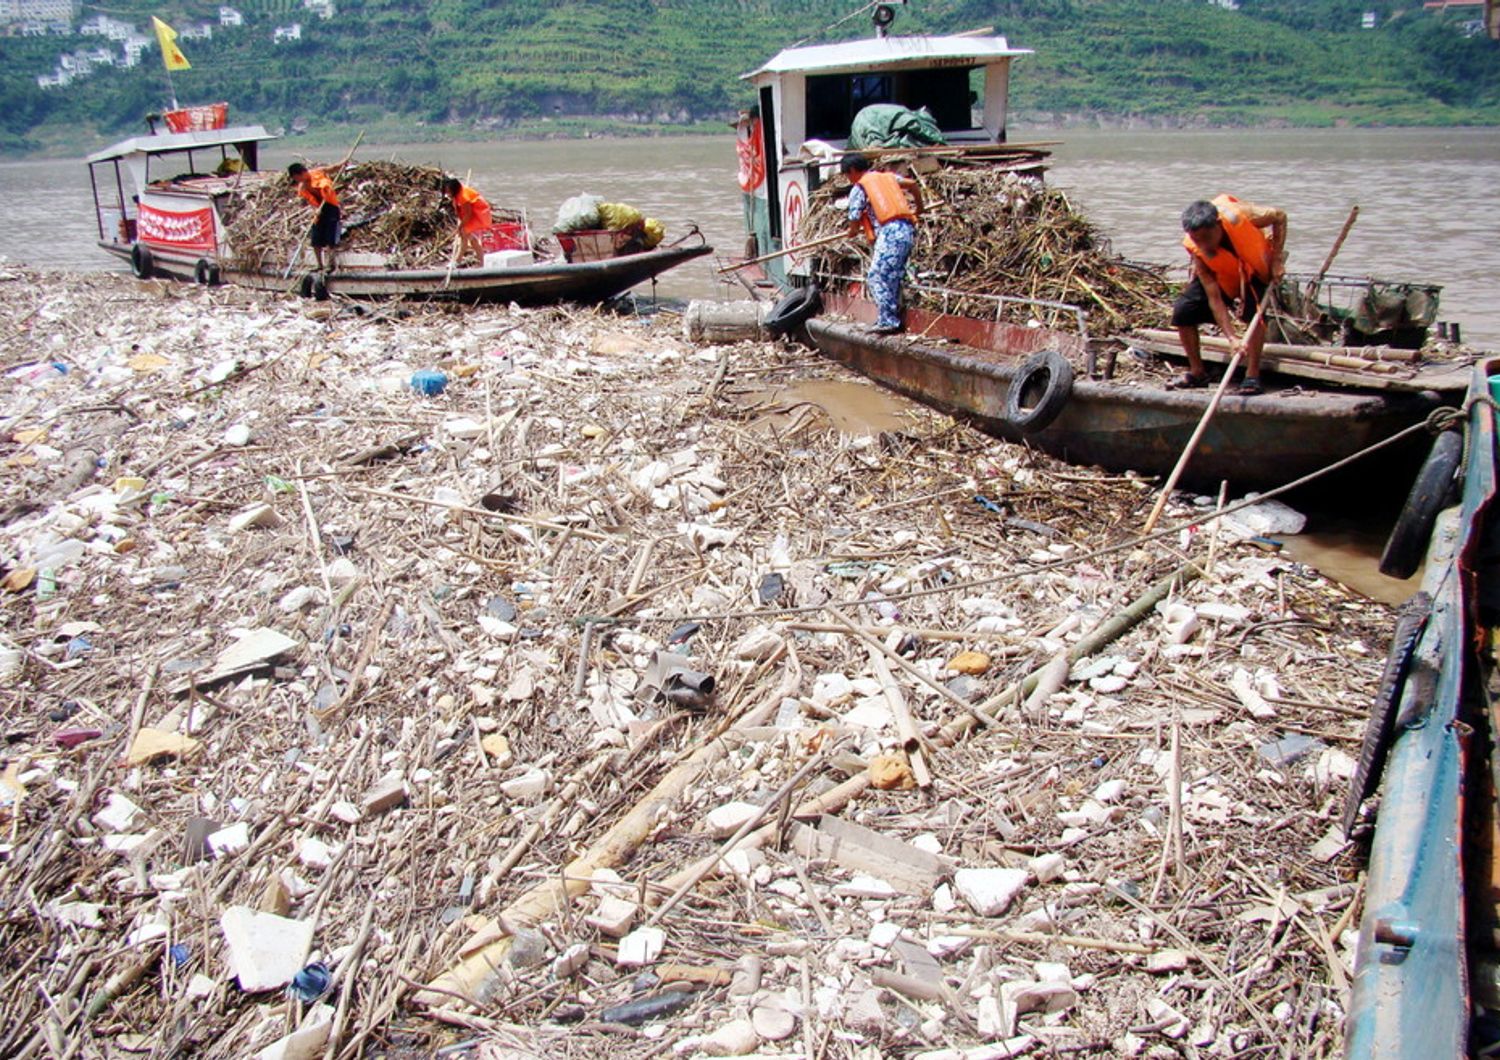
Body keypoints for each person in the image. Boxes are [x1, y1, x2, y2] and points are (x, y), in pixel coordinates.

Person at [1170, 195, 1287, 396]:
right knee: (1183, 311)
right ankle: (1198, 372)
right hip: (1223, 276)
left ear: (1218, 225)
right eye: (1197, 240)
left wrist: (1276, 260)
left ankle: (1252, 375)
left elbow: (1280, 216)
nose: (1203, 245)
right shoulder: (1198, 249)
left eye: (1207, 238)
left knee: (1255, 316)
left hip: (1254, 271)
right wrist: (1232, 338)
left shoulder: (1242, 216)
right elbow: (1213, 297)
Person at [841, 153, 922, 335]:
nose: (849, 179)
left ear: (853, 171)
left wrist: (852, 231)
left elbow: (854, 217)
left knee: (876, 276)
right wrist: (920, 208)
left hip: (890, 232)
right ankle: (889, 316)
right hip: (906, 229)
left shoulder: (859, 187)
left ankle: (888, 321)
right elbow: (913, 185)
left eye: (848, 175)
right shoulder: (888, 177)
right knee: (890, 276)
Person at [287, 162, 343, 272]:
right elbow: (310, 201)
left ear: (302, 173)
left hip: (330, 207)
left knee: (330, 238)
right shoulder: (302, 187)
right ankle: (319, 265)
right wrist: (315, 210)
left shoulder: (317, 173)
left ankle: (330, 264)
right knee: (316, 239)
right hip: (319, 210)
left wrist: (343, 163)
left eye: (297, 177)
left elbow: (332, 168)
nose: (297, 181)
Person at [442, 177, 493, 264]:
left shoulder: (463, 197)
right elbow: (460, 211)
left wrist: (460, 226)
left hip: (479, 215)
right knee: (472, 240)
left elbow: (468, 214)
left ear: (454, 189)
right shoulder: (456, 195)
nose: (447, 193)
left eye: (449, 191)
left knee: (464, 235)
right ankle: (482, 263)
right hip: (471, 216)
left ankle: (456, 261)